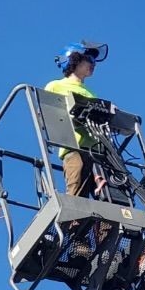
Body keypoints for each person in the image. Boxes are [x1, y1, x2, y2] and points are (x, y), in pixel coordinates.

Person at [45, 41, 107, 197]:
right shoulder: (56, 86)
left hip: (96, 149)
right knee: (77, 188)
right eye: (89, 60)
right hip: (73, 146)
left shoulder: (91, 93)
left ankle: (101, 222)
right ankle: (75, 221)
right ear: (75, 60)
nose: (93, 64)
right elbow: (46, 115)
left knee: (109, 193)